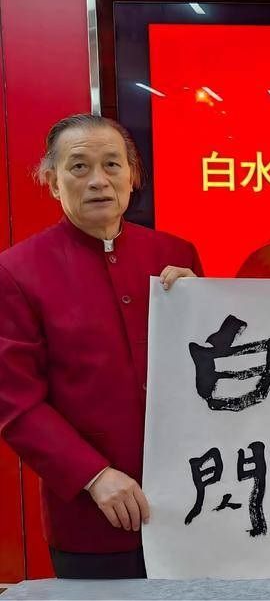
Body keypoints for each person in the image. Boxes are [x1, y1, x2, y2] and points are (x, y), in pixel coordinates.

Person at [0, 114, 202, 578]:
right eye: (79, 167)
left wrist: (205, 306)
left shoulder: (176, 255)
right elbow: (15, 402)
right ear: (53, 182)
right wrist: (93, 475)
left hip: (193, 501)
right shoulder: (17, 272)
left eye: (112, 164)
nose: (98, 180)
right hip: (93, 515)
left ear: (132, 176)